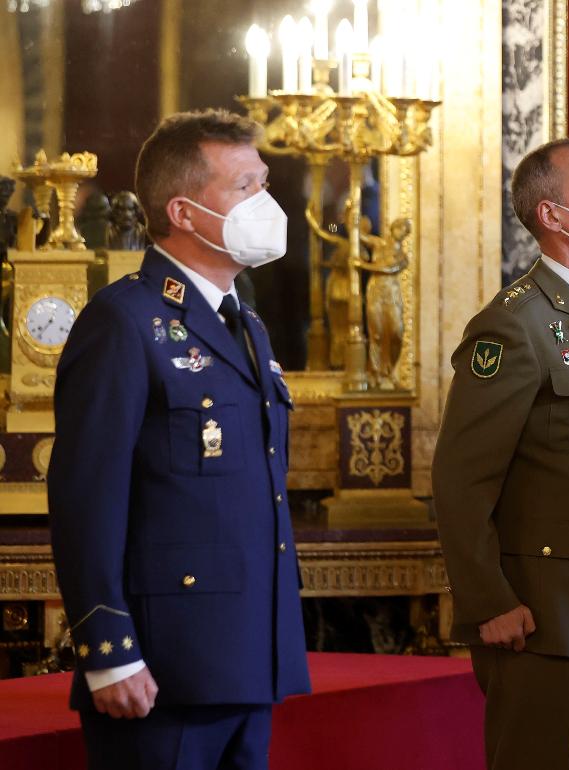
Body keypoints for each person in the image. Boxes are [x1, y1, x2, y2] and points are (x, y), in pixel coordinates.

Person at [47, 108, 309, 769]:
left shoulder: (247, 324)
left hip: (247, 658)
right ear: (185, 213)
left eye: (265, 183)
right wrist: (108, 651)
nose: (265, 202)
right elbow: (86, 499)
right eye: (244, 187)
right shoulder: (123, 321)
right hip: (162, 670)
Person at [433, 136, 569, 770]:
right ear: (552, 214)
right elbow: (461, 479)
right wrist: (488, 602)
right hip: (537, 617)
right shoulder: (514, 324)